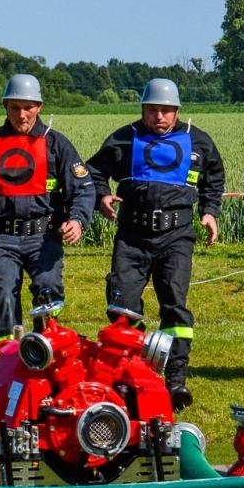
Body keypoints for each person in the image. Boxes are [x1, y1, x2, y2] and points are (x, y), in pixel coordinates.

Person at [85, 78, 224, 409]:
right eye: (152, 110)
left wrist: (210, 211)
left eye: (165, 110)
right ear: (142, 109)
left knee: (174, 305)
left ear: (177, 111)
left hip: (177, 236)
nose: (158, 117)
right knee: (121, 307)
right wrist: (102, 196)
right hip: (132, 236)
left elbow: (214, 178)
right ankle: (130, 375)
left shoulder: (198, 141)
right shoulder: (124, 138)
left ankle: (175, 378)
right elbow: (93, 171)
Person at [0, 74, 95, 342]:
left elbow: (83, 188)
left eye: (28, 107)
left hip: (44, 237)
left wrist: (78, 219)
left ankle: (45, 351)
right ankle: (5, 358)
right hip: (0, 237)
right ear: (5, 106)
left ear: (39, 107)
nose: (22, 115)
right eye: (15, 107)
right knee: (5, 297)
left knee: (48, 293)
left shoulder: (57, 144)